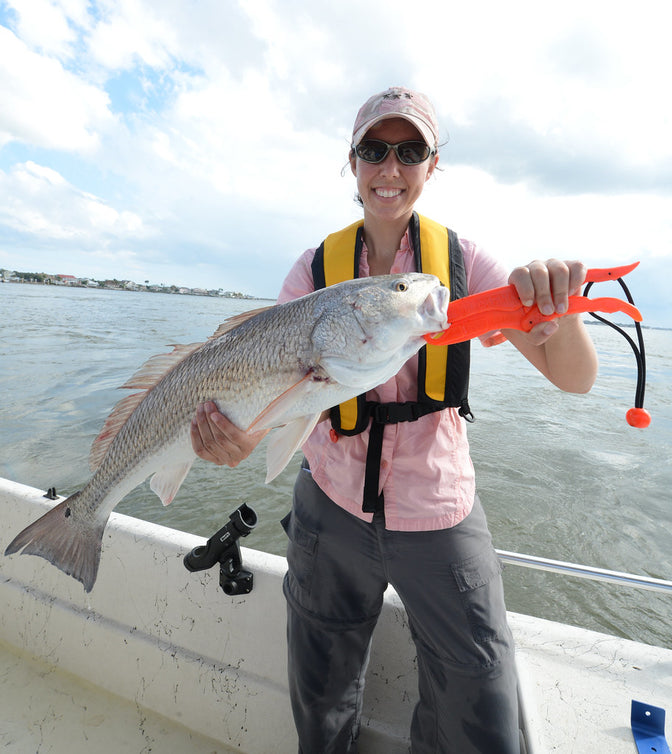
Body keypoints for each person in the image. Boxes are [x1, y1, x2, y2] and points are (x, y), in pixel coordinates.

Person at [190, 86, 598, 754]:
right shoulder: (313, 270)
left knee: (482, 706)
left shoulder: (463, 266)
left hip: (438, 510)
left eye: (409, 151)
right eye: (374, 149)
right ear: (351, 162)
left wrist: (561, 310)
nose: (390, 167)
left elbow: (574, 379)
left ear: (432, 165)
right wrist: (233, 442)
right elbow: (272, 400)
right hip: (329, 505)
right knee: (320, 697)